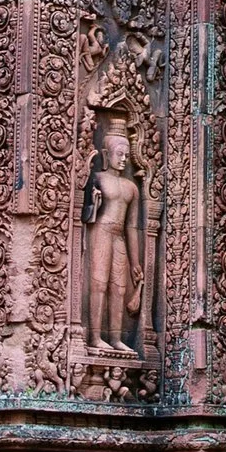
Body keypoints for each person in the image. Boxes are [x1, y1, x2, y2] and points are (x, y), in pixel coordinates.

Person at [83, 127, 144, 353]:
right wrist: (94, 201)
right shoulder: (98, 178)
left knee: (119, 288)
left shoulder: (131, 188)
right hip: (100, 231)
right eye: (119, 154)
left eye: (126, 155)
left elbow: (132, 227)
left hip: (119, 236)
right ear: (106, 155)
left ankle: (116, 338)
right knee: (99, 283)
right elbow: (85, 212)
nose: (124, 159)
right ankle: (95, 336)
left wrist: (135, 261)